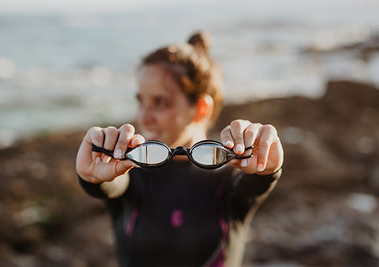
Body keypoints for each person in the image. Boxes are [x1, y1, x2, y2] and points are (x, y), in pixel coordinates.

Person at [76, 32, 284, 267]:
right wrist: (91, 175)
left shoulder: (230, 177)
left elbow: (255, 180)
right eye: (140, 101)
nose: (143, 116)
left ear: (201, 108)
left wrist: (265, 165)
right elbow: (110, 184)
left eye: (160, 102)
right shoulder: (128, 170)